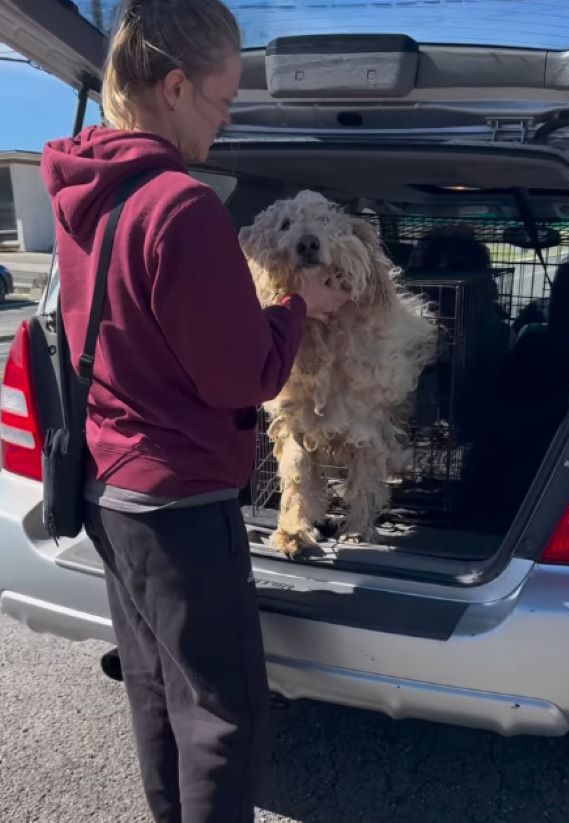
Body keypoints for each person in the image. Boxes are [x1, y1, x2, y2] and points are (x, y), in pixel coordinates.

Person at [40, 1, 348, 820]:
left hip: (112, 492)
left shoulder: (88, 192)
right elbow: (240, 376)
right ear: (175, 87)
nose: (226, 118)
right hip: (181, 506)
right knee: (225, 715)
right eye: (223, 99)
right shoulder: (180, 206)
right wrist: (294, 310)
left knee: (157, 690)